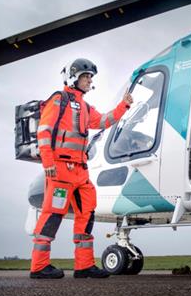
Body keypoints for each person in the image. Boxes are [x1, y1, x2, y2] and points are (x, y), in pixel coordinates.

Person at [30, 58, 133, 279]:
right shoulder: (59, 100)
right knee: (53, 215)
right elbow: (44, 131)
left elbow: (105, 120)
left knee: (86, 214)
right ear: (74, 77)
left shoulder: (85, 107)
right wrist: (47, 162)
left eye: (90, 78)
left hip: (80, 172)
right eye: (86, 77)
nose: (89, 81)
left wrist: (124, 105)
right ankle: (39, 267)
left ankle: (84, 266)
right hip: (59, 170)